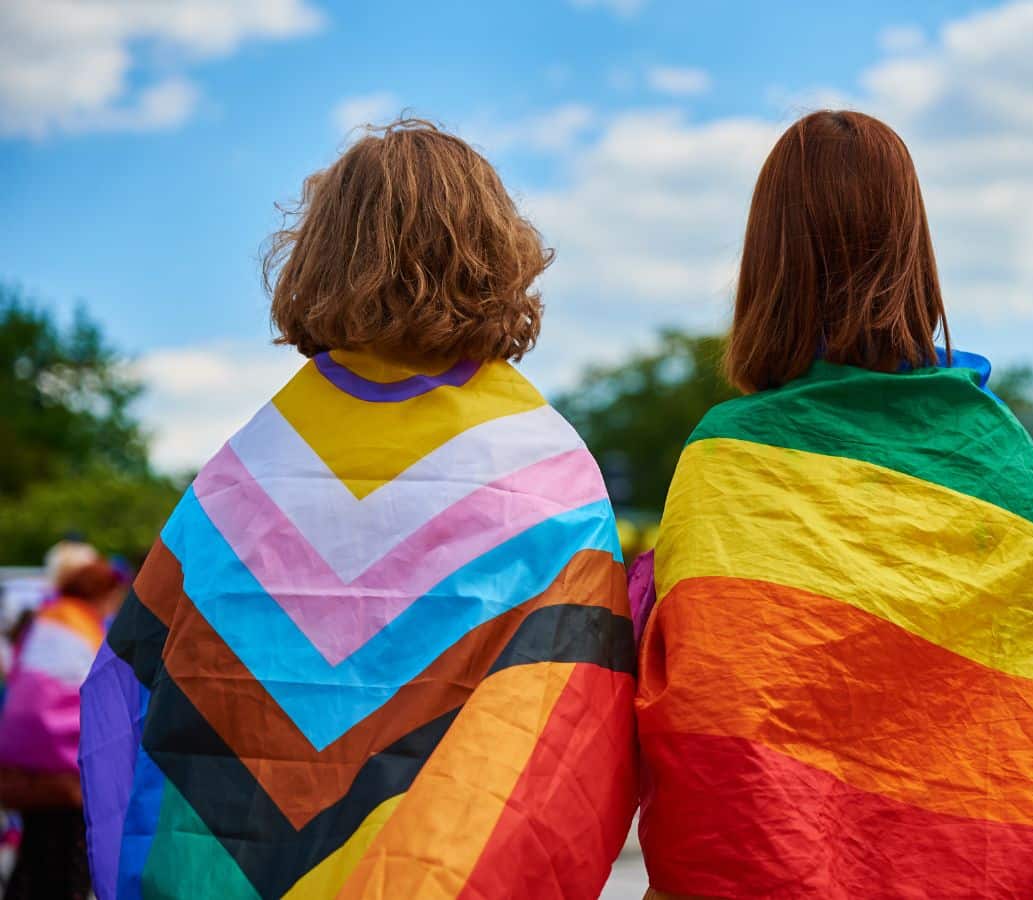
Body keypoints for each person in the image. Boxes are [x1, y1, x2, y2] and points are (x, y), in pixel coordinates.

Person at [79, 119, 636, 900]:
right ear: (497, 256)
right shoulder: (547, 474)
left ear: (325, 256)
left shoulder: (238, 478)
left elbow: (126, 695)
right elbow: (571, 734)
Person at [635, 110, 1033, 898]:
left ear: (767, 261)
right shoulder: (997, 456)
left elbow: (711, 693)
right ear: (915, 249)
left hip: (756, 870)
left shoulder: (731, 454)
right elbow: (1028, 703)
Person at [0, 559, 127, 900]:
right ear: (103, 593)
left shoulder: (46, 618)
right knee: (71, 859)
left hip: (24, 764)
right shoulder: (83, 625)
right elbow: (101, 689)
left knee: (33, 854)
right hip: (69, 766)